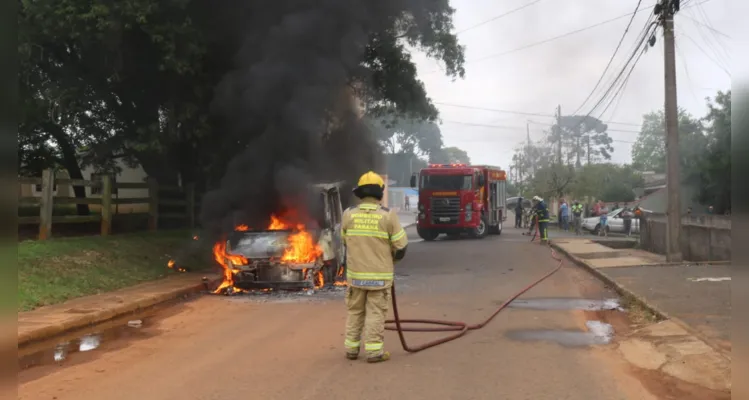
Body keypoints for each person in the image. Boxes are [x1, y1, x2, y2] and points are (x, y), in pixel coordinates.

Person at [341, 171, 408, 363]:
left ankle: (351, 350)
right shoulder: (387, 216)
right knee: (375, 314)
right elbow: (401, 247)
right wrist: (391, 261)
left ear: (360, 193)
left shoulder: (349, 214)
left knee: (355, 312)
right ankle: (374, 352)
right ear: (379, 193)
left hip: (355, 277)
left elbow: (345, 241)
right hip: (379, 278)